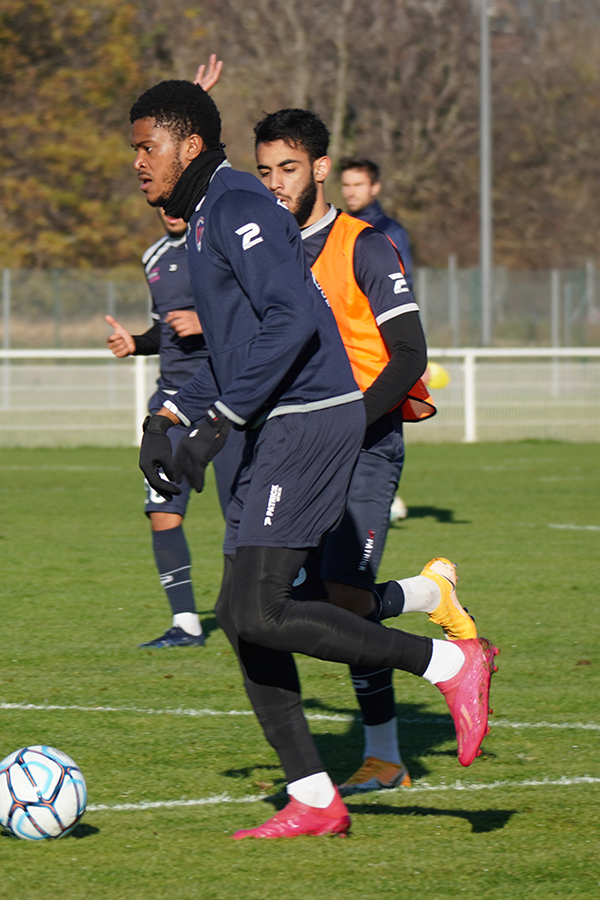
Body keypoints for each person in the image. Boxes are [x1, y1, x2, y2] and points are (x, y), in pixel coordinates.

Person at [128, 79, 497, 839]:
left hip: (308, 421)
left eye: (146, 147)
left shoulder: (234, 204)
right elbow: (218, 351)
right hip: (271, 428)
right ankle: (315, 797)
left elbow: (293, 318)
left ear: (188, 145)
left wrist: (220, 421)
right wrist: (163, 419)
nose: (136, 163)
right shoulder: (201, 222)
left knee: (265, 606)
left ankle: (450, 666)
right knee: (240, 616)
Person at [254, 108, 477, 795]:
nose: (275, 184)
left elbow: (410, 353)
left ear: (320, 169)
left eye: (287, 168)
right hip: (296, 451)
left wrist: (349, 420)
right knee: (284, 604)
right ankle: (423, 593)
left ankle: (382, 754)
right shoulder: (267, 252)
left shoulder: (367, 246)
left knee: (340, 604)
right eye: (263, 171)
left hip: (365, 442)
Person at [105, 208, 239, 648]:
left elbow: (253, 317)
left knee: (240, 516)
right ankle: (186, 624)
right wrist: (136, 344)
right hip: (171, 403)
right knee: (161, 512)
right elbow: (164, 331)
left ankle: (262, 609)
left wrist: (205, 324)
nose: (168, 209)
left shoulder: (220, 247)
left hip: (226, 397)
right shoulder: (153, 258)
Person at [339, 157, 413, 276]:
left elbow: (403, 283)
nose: (351, 192)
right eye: (346, 185)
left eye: (358, 185)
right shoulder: (337, 228)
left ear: (375, 188)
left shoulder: (390, 231)